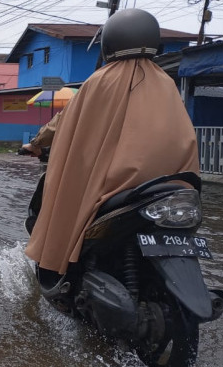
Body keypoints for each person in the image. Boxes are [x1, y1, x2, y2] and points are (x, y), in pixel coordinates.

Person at [21, 8, 199, 276]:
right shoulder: (165, 81)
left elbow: (64, 122)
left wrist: (35, 143)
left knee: (71, 194)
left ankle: (61, 262)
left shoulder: (101, 80)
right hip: (170, 184)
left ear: (111, 42)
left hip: (118, 184)